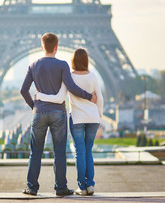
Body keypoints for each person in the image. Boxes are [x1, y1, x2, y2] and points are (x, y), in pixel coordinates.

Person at [20, 33, 97, 196]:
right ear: (56, 47)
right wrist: (90, 96)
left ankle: (32, 187)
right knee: (60, 152)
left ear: (42, 46)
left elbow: (23, 90)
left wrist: (34, 106)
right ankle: (61, 187)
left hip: (39, 111)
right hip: (58, 113)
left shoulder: (33, 65)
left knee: (35, 152)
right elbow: (72, 87)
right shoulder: (62, 65)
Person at [35, 48, 103, 196]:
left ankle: (81, 187)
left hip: (77, 118)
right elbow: (100, 99)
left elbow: (60, 97)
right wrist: (100, 116)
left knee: (80, 152)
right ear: (86, 60)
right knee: (88, 151)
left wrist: (40, 96)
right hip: (92, 118)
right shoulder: (93, 76)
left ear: (73, 61)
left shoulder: (69, 77)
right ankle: (90, 184)